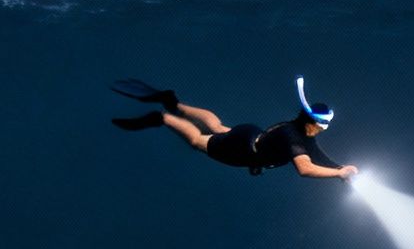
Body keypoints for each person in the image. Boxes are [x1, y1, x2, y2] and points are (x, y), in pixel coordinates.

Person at [112, 77, 358, 181]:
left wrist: (339, 167)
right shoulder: (295, 138)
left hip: (249, 134)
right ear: (311, 122)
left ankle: (174, 103)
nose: (323, 130)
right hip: (241, 150)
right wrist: (338, 175)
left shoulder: (299, 131)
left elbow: (317, 155)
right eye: (322, 125)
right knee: (197, 139)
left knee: (217, 126)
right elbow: (305, 168)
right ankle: (163, 117)